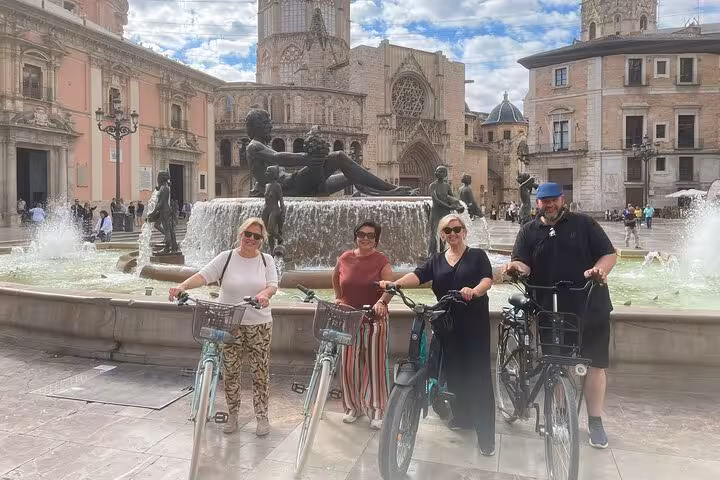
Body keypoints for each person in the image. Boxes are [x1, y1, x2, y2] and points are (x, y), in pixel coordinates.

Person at [501, 182, 617, 449]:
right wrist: (514, 266)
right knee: (558, 365)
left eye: (553, 200)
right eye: (544, 201)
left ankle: (595, 420)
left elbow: (608, 255)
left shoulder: (584, 224)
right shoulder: (529, 231)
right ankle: (562, 416)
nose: (549, 205)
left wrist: (599, 271)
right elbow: (523, 263)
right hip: (551, 308)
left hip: (591, 304)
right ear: (537, 203)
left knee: (596, 365)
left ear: (562, 200)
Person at [379, 214, 495, 455]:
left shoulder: (477, 256)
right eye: (447, 231)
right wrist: (396, 285)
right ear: (442, 235)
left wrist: (474, 291)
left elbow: (487, 279)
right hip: (446, 324)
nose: (452, 234)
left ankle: (486, 436)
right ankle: (463, 417)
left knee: (478, 377)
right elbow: (419, 275)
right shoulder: (437, 260)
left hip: (473, 326)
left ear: (464, 231)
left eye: (456, 229)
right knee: (453, 373)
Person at [168, 218, 278, 437]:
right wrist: (181, 286)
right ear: (240, 234)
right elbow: (203, 276)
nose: (251, 239)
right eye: (248, 234)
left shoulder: (266, 260)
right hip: (229, 324)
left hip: (259, 324)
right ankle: (233, 414)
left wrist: (264, 295)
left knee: (260, 372)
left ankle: (262, 416)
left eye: (257, 236)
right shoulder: (226, 258)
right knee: (230, 372)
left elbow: (272, 286)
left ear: (262, 240)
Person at [333, 221, 394, 430]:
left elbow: (390, 287)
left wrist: (381, 302)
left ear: (376, 238)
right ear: (355, 236)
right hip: (349, 319)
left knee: (374, 366)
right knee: (348, 366)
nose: (365, 238)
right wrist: (339, 298)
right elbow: (335, 278)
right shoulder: (345, 258)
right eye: (361, 234)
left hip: (373, 320)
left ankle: (377, 409)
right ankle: (353, 407)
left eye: (370, 235)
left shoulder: (381, 261)